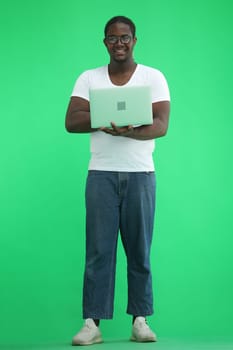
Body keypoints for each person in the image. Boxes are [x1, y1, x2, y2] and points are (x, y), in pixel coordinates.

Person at [65, 15, 170, 346]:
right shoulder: (89, 78)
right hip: (101, 174)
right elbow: (71, 120)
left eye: (125, 38)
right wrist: (104, 121)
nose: (119, 43)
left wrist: (131, 130)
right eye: (112, 38)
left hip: (141, 174)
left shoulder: (153, 77)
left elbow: (161, 124)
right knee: (98, 251)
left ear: (134, 40)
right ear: (105, 42)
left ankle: (140, 319)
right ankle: (91, 323)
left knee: (139, 250)